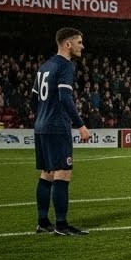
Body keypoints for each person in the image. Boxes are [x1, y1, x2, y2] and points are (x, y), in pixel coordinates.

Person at [32, 27, 92, 235]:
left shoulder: (44, 67)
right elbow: (65, 98)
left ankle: (42, 221)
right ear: (68, 44)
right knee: (63, 173)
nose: (82, 46)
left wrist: (41, 116)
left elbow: (33, 99)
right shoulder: (66, 66)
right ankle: (61, 225)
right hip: (57, 126)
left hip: (41, 126)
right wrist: (80, 125)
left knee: (47, 173)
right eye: (79, 42)